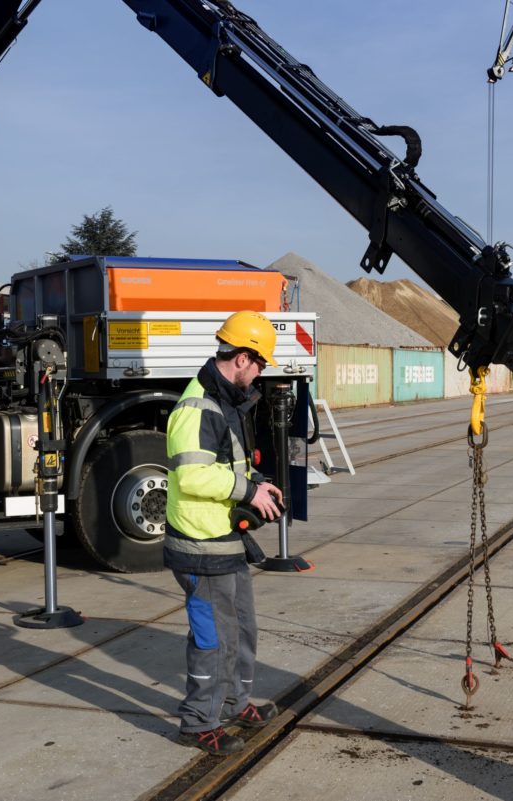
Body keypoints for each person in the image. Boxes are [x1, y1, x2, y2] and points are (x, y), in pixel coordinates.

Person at [165, 310, 286, 755]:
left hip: (224, 540)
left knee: (242, 628)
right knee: (213, 638)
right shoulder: (198, 408)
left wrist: (257, 485)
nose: (260, 374)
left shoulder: (225, 402)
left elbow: (226, 465)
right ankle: (198, 723)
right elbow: (192, 479)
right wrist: (248, 492)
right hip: (199, 545)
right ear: (241, 358)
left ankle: (234, 705)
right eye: (260, 364)